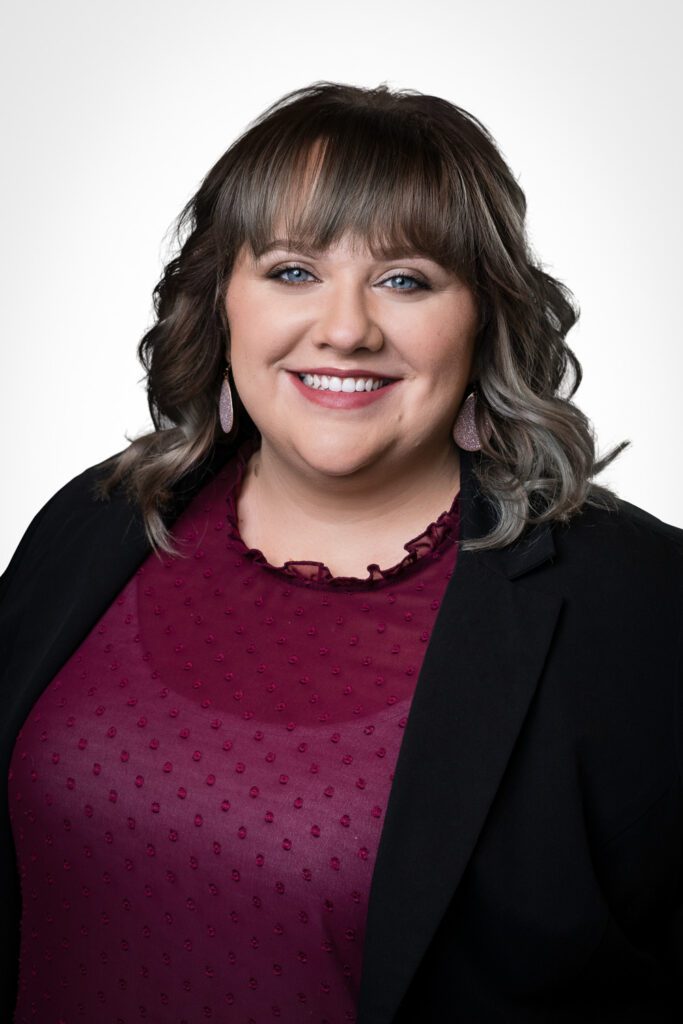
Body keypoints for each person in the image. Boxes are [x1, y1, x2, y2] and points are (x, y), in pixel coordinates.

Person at [1, 80, 681, 1024]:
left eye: (405, 279)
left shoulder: (639, 605)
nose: (347, 328)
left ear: (482, 315)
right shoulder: (94, 521)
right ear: (220, 299)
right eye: (291, 271)